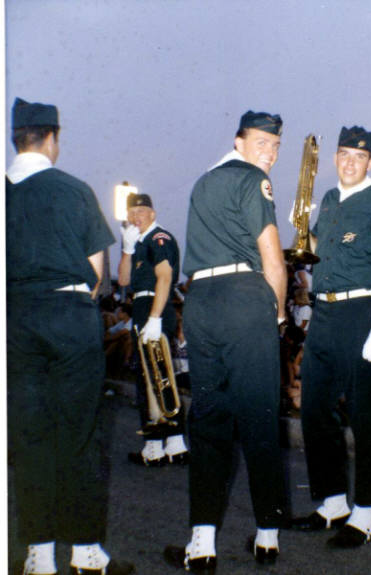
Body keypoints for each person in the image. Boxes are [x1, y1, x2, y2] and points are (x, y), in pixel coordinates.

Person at [6, 98, 133, 574]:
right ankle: (85, 552)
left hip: (16, 318)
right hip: (69, 317)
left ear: (16, 139)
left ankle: (38, 554)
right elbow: (98, 275)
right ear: (52, 139)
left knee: (30, 435)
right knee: (78, 435)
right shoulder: (74, 190)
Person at [163, 110, 288, 571]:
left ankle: (201, 544)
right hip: (244, 298)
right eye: (261, 143)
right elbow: (272, 258)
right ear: (239, 142)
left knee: (208, 421)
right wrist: (278, 314)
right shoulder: (254, 180)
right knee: (260, 418)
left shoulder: (203, 182)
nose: (270, 153)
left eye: (275, 146)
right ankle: (268, 536)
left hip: (201, 302)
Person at [292, 125, 371, 549]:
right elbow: (318, 248)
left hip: (362, 313)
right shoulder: (329, 199)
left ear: (370, 162)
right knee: (315, 411)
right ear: (335, 158)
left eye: (359, 157)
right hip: (324, 312)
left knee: (365, 416)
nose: (350, 162)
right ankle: (333, 502)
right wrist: (302, 226)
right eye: (344, 155)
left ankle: (365, 513)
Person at [118, 193, 189, 466]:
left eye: (141, 211)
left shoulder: (159, 238)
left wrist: (155, 317)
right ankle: (170, 444)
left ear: (153, 213)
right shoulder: (138, 243)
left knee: (156, 377)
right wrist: (127, 249)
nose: (135, 217)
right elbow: (123, 279)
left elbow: (165, 277)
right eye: (131, 213)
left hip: (153, 307)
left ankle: (159, 445)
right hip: (141, 307)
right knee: (154, 377)